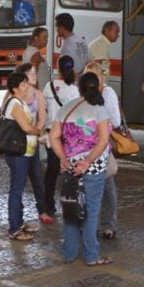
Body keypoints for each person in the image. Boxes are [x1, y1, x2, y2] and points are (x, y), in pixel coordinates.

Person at [50, 72, 113, 266]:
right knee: (91, 211)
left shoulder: (66, 108)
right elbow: (103, 141)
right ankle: (92, 256)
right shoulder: (99, 110)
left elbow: (53, 137)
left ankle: (69, 254)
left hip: (70, 168)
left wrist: (63, 158)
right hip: (93, 169)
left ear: (80, 88)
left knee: (70, 209)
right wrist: (87, 161)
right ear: (98, 88)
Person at [0, 72, 43, 241]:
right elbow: (26, 127)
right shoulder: (14, 104)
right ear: (15, 87)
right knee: (17, 189)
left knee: (19, 187)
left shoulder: (20, 102)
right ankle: (14, 228)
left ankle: (19, 222)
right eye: (24, 84)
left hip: (25, 151)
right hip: (18, 153)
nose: (27, 86)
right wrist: (40, 131)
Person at [83, 61, 121, 239]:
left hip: (103, 148)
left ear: (100, 77)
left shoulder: (108, 93)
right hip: (85, 148)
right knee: (89, 188)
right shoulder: (82, 94)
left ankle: (109, 224)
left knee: (107, 186)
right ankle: (93, 225)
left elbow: (116, 120)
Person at [42, 55, 80, 219]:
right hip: (68, 134)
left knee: (52, 169)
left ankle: (48, 204)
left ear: (57, 67)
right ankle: (70, 203)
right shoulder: (74, 89)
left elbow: (43, 110)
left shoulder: (48, 86)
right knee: (69, 170)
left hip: (51, 132)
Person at [12, 63, 49, 223]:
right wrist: (36, 132)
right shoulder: (13, 98)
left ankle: (42, 210)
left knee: (38, 178)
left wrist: (38, 131)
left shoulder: (38, 94)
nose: (35, 76)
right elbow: (12, 121)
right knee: (18, 183)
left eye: (35, 73)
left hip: (32, 144)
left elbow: (42, 117)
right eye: (31, 73)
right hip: (17, 145)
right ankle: (17, 219)